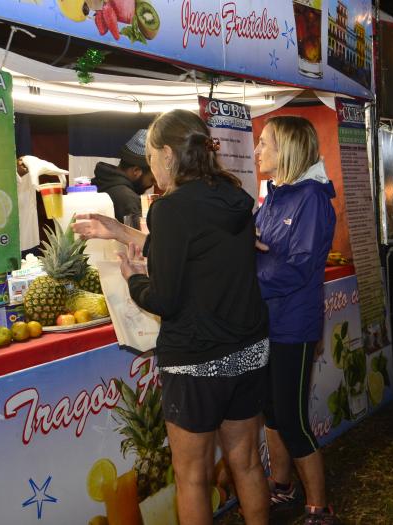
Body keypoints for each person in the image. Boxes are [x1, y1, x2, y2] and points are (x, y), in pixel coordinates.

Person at [74, 109, 272, 525]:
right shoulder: (236, 198)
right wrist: (122, 231)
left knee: (191, 478)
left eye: (150, 155)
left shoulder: (170, 208)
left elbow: (164, 298)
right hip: (248, 350)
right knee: (248, 463)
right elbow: (197, 251)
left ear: (167, 154)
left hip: (197, 360)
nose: (149, 165)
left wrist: (132, 280)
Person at [253, 116, 338, 525]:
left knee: (292, 418)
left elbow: (299, 267)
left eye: (265, 142)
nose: (257, 151)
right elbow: (260, 248)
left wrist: (248, 280)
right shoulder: (274, 195)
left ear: (287, 149)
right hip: (267, 320)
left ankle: (319, 507)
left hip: (293, 324)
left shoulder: (313, 199)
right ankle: (281, 485)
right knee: (272, 410)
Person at [93, 128, 155, 223]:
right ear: (136, 171)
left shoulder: (99, 183)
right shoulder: (128, 200)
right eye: (152, 180)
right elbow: (140, 237)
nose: (153, 185)